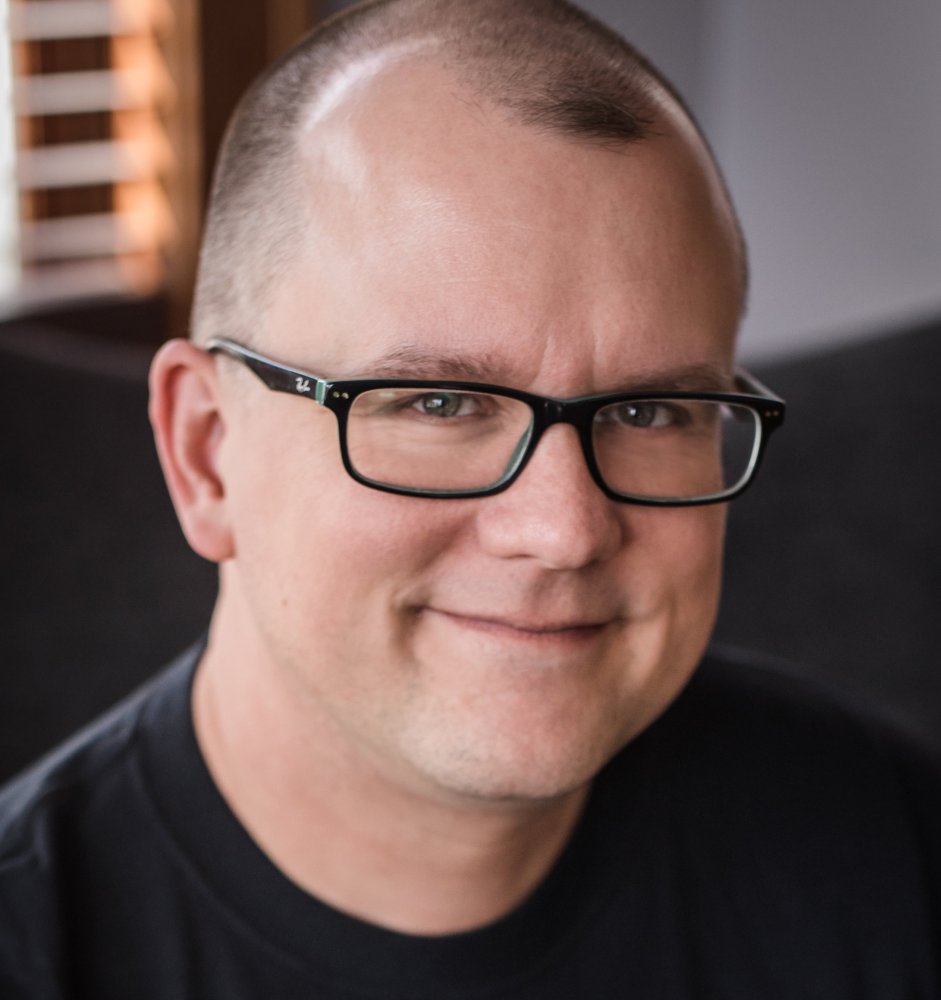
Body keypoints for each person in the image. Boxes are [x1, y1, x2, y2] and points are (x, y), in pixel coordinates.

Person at [1, 0, 939, 996]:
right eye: (439, 402)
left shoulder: (888, 844)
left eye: (649, 410)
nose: (563, 529)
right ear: (207, 453)